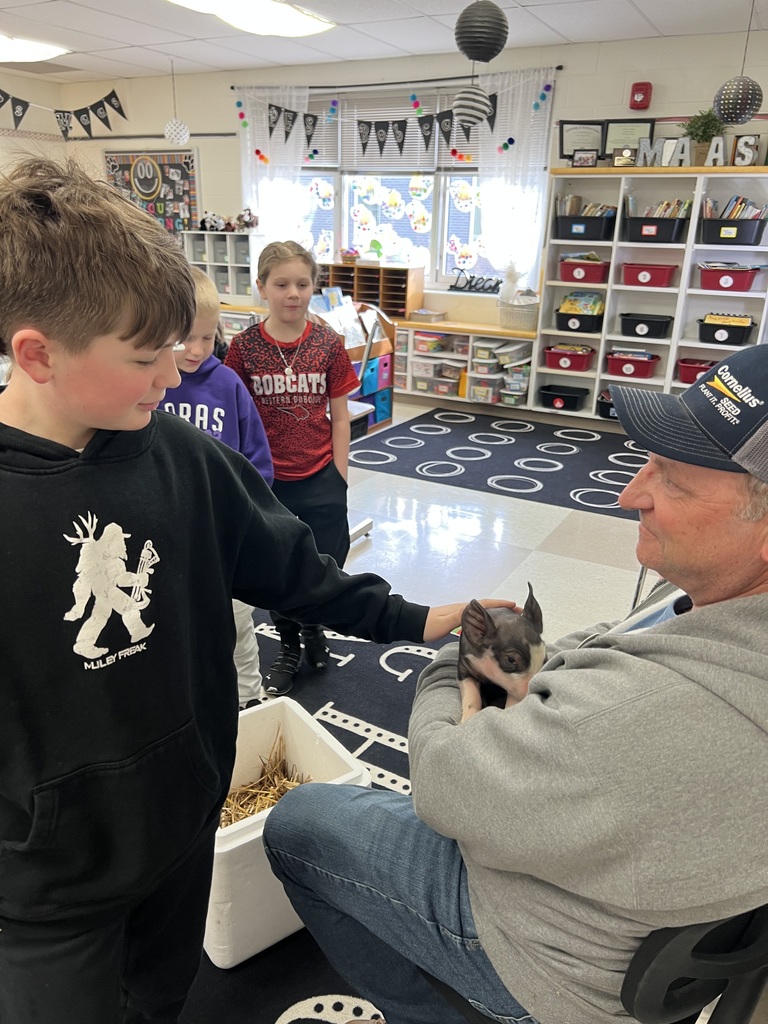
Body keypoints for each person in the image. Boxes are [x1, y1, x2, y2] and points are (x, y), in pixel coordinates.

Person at [0, 156, 515, 1024]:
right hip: (46, 887)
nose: (173, 378)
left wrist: (422, 617)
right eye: (143, 357)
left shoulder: (187, 461)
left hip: (182, 824)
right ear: (37, 354)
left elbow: (299, 574)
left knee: (161, 1000)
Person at [263, 344, 768, 1024]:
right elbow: (601, 662)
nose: (630, 494)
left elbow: (446, 784)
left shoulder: (639, 714)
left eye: (674, 481)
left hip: (557, 961)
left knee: (301, 823)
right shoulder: (717, 619)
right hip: (665, 912)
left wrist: (458, 655)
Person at [224, 241, 360, 696]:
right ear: (262, 287)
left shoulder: (327, 344)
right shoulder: (243, 349)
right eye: (281, 284)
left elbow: (341, 415)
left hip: (321, 475)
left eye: (302, 284)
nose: (293, 293)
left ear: (314, 287)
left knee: (324, 562)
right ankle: (287, 642)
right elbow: (235, 414)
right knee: (276, 566)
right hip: (266, 481)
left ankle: (313, 628)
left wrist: (339, 476)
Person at [162, 266, 273, 708]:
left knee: (238, 624)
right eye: (185, 337)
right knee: (180, 628)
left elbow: (257, 459)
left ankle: (251, 698)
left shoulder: (226, 382)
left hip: (225, 535)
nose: (196, 350)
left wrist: (248, 515)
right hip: (170, 540)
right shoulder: (150, 387)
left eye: (207, 338)